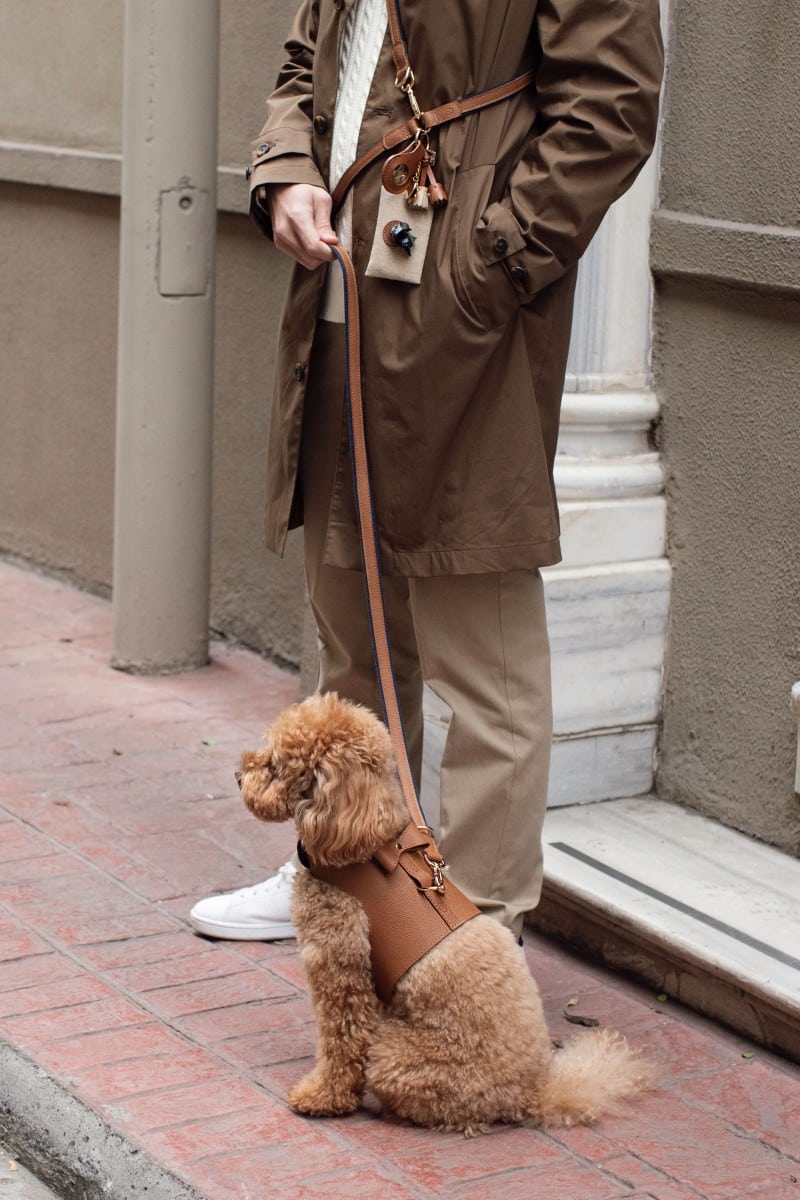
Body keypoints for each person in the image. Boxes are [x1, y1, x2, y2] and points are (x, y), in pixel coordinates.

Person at [190, 0, 663, 944]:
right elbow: (302, 68)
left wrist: (485, 262)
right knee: (352, 636)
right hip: (336, 315)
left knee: (481, 651)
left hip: (456, 321)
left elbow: (611, 103)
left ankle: (477, 933)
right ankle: (345, 885)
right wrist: (285, 176)